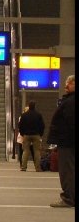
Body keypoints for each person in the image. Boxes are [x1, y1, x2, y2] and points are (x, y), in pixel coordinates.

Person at [46, 75, 75, 207]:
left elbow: (71, 122)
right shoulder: (69, 100)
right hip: (67, 141)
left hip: (68, 142)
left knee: (67, 171)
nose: (66, 85)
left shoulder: (70, 102)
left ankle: (69, 198)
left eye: (69, 83)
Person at [18, 100, 45, 171]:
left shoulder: (24, 115)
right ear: (35, 106)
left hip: (26, 135)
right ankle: (38, 168)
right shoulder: (38, 115)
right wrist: (40, 134)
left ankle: (23, 167)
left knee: (25, 151)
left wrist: (22, 133)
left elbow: (20, 125)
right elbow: (42, 125)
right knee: (37, 151)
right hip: (36, 135)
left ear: (29, 106)